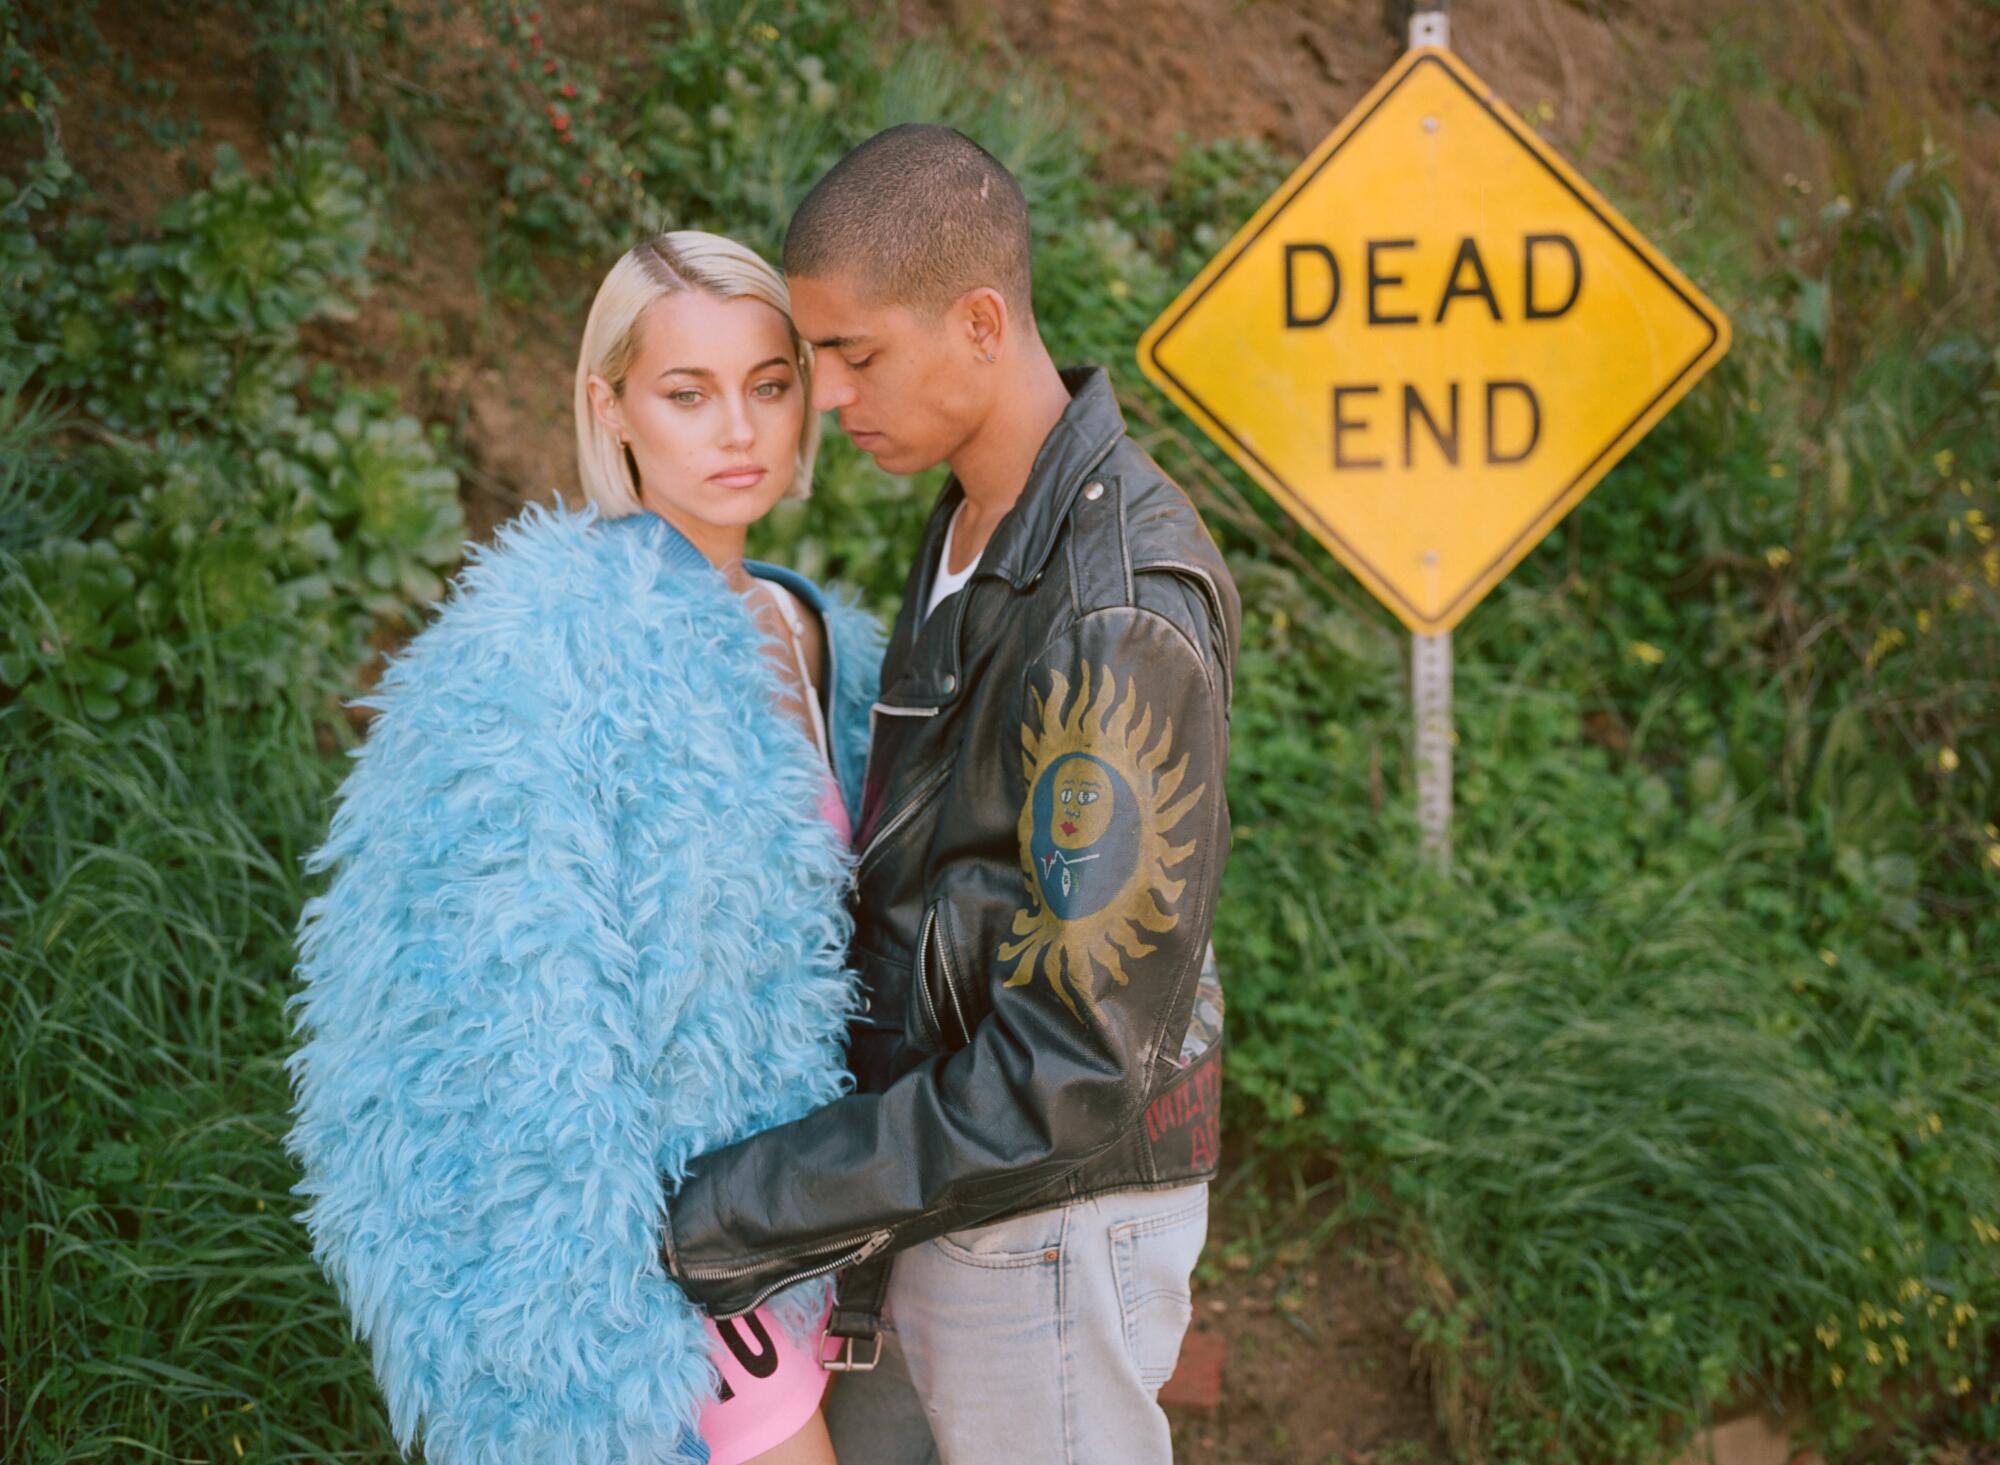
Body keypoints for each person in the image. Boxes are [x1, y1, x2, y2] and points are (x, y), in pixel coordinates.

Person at [661, 125, 1241, 1465]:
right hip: (952, 1194)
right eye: (818, 358)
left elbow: (1077, 1066)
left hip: (1051, 1217)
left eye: (856, 353)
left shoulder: (1115, 603)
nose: (829, 394)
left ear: (980, 322)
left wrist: (753, 1202)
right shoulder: (980, 522)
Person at [283, 230, 883, 1465]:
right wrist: (599, 1308)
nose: (737, 429)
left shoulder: (811, 633)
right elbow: (492, 1007)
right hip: (667, 1259)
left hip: (815, 1213)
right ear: (608, 407)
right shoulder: (541, 646)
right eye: (687, 392)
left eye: (768, 385)